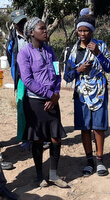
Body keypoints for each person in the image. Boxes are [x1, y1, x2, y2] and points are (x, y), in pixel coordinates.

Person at [17, 17, 68, 188]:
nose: (46, 31)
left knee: (55, 138)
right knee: (38, 139)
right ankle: (40, 175)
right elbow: (28, 80)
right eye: (42, 28)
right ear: (32, 32)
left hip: (52, 100)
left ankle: (53, 174)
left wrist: (56, 93)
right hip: (34, 102)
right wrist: (48, 94)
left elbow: (57, 74)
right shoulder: (24, 54)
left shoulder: (50, 51)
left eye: (45, 28)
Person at [64, 14, 110, 177]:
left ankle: (99, 160)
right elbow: (67, 76)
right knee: (85, 127)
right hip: (81, 93)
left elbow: (108, 68)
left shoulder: (101, 45)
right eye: (80, 30)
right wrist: (78, 70)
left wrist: (98, 53)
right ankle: (89, 161)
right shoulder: (72, 50)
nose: (83, 34)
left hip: (99, 92)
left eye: (86, 31)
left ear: (92, 31)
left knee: (98, 127)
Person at [5, 9, 31, 154]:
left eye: (23, 21)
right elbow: (10, 56)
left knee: (38, 105)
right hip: (22, 77)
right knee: (22, 106)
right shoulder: (12, 38)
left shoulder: (32, 33)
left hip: (36, 77)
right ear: (14, 24)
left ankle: (41, 136)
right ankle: (24, 138)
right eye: (18, 23)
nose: (22, 24)